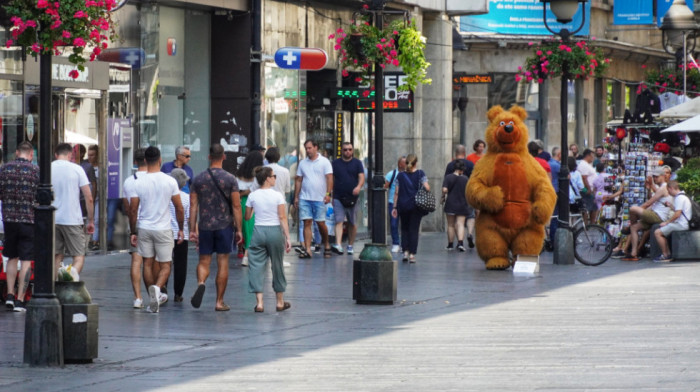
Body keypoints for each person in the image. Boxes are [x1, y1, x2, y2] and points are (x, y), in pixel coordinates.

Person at [128, 146, 184, 313]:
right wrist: (181, 228)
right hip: (163, 228)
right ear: (160, 160)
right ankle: (158, 289)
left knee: (147, 263)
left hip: (144, 227)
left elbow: (133, 210)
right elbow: (179, 207)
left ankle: (152, 293)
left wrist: (133, 231)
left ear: (145, 160)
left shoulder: (138, 182)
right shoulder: (170, 181)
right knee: (166, 264)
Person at [189, 144, 243, 311]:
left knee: (204, 261)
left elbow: (193, 206)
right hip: (224, 225)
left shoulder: (198, 179)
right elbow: (236, 205)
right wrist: (239, 229)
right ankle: (219, 302)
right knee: (223, 262)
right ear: (224, 156)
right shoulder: (230, 179)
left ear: (209, 157)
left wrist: (192, 228)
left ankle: (201, 282)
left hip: (205, 225)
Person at [246, 166, 292, 313]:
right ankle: (279, 302)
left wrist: (254, 209)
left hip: (259, 230)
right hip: (274, 231)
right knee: (277, 265)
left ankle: (259, 303)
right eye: (274, 176)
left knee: (256, 265)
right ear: (267, 178)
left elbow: (247, 216)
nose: (275, 179)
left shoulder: (252, 195)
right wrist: (288, 237)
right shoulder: (278, 196)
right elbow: (282, 217)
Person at [0, 142, 39, 311]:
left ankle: (9, 295)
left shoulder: (4, 169)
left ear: (17, 153)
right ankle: (20, 299)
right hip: (28, 220)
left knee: (11, 256)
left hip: (9, 220)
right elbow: (41, 196)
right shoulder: (36, 171)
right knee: (25, 260)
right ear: (31, 154)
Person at [52, 143, 95, 275]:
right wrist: (91, 220)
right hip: (72, 219)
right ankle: (68, 281)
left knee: (56, 256)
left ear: (56, 155)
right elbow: (89, 197)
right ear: (70, 155)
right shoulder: (77, 169)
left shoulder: (47, 168)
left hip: (53, 218)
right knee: (78, 256)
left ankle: (54, 287)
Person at [621, 167, 672, 262]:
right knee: (634, 228)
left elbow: (648, 203)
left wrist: (638, 211)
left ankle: (631, 223)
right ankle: (634, 253)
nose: (655, 179)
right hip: (653, 213)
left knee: (633, 209)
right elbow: (653, 201)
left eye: (656, 177)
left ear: (662, 176)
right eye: (654, 177)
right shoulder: (660, 188)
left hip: (658, 216)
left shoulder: (663, 187)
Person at [293, 139, 333, 259]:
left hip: (319, 198)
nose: (308, 150)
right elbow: (299, 180)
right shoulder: (303, 163)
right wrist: (296, 196)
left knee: (320, 223)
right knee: (307, 222)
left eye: (310, 148)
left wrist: (328, 194)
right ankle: (307, 249)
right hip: (305, 197)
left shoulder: (324, 162)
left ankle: (326, 243)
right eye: (306, 148)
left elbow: (329, 178)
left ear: (316, 147)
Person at [392, 154, 430, 263]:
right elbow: (427, 187)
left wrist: (394, 207)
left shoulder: (400, 175)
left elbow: (396, 193)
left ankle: (405, 252)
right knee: (413, 229)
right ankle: (412, 254)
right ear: (416, 163)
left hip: (402, 206)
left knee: (404, 229)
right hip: (415, 206)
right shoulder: (420, 173)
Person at [122, 148, 147, 308]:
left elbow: (128, 207)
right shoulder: (159, 179)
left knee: (136, 261)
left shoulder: (129, 181)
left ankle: (138, 297)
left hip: (137, 224)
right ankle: (157, 290)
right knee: (154, 262)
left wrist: (132, 230)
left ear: (135, 162)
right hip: (157, 224)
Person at [331, 142, 365, 255]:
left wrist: (358, 187)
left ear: (352, 150)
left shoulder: (357, 163)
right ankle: (338, 244)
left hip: (353, 197)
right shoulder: (335, 163)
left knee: (353, 223)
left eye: (350, 149)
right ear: (342, 151)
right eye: (345, 149)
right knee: (339, 221)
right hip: (338, 197)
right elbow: (331, 179)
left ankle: (350, 245)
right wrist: (330, 194)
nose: (347, 152)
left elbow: (361, 177)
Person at [653, 181, 692, 263]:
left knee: (657, 232)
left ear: (671, 188)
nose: (668, 193)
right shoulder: (683, 196)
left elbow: (677, 214)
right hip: (683, 223)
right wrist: (670, 206)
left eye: (668, 190)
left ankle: (665, 255)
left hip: (681, 224)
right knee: (662, 231)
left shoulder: (679, 198)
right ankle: (667, 253)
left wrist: (667, 222)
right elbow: (679, 210)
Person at [236, 151, 264, 266]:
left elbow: (237, 188)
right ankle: (248, 253)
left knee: (244, 226)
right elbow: (255, 188)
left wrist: (241, 194)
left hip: (242, 202)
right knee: (252, 228)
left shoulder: (240, 173)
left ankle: (242, 249)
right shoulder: (259, 173)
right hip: (255, 201)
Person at [168, 168, 191, 302]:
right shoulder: (186, 198)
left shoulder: (165, 195)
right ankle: (178, 293)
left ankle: (162, 288)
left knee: (164, 262)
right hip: (182, 235)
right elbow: (188, 218)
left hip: (166, 231)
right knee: (181, 264)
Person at [442, 160, 471, 251]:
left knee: (450, 225)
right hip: (462, 203)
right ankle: (460, 243)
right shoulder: (466, 179)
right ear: (462, 170)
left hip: (451, 203)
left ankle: (450, 245)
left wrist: (444, 195)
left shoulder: (448, 177)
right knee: (460, 224)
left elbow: (444, 190)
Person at [384, 156, 406, 253]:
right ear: (400, 164)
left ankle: (405, 244)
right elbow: (385, 186)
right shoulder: (391, 174)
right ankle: (396, 243)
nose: (407, 164)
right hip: (393, 203)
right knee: (394, 224)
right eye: (405, 162)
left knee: (405, 224)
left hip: (405, 202)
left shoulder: (409, 174)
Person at [576, 149, 597, 224]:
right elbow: (584, 177)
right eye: (592, 156)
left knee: (593, 207)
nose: (593, 158)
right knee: (589, 207)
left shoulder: (587, 164)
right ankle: (588, 223)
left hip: (591, 189)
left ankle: (591, 223)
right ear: (588, 156)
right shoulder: (583, 165)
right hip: (587, 190)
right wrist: (588, 188)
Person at [87, 145, 101, 250]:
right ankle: (90, 239)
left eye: (92, 155)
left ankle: (95, 240)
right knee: (89, 219)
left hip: (98, 197)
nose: (90, 157)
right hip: (88, 197)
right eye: (89, 155)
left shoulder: (101, 168)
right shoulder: (86, 167)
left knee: (96, 219)